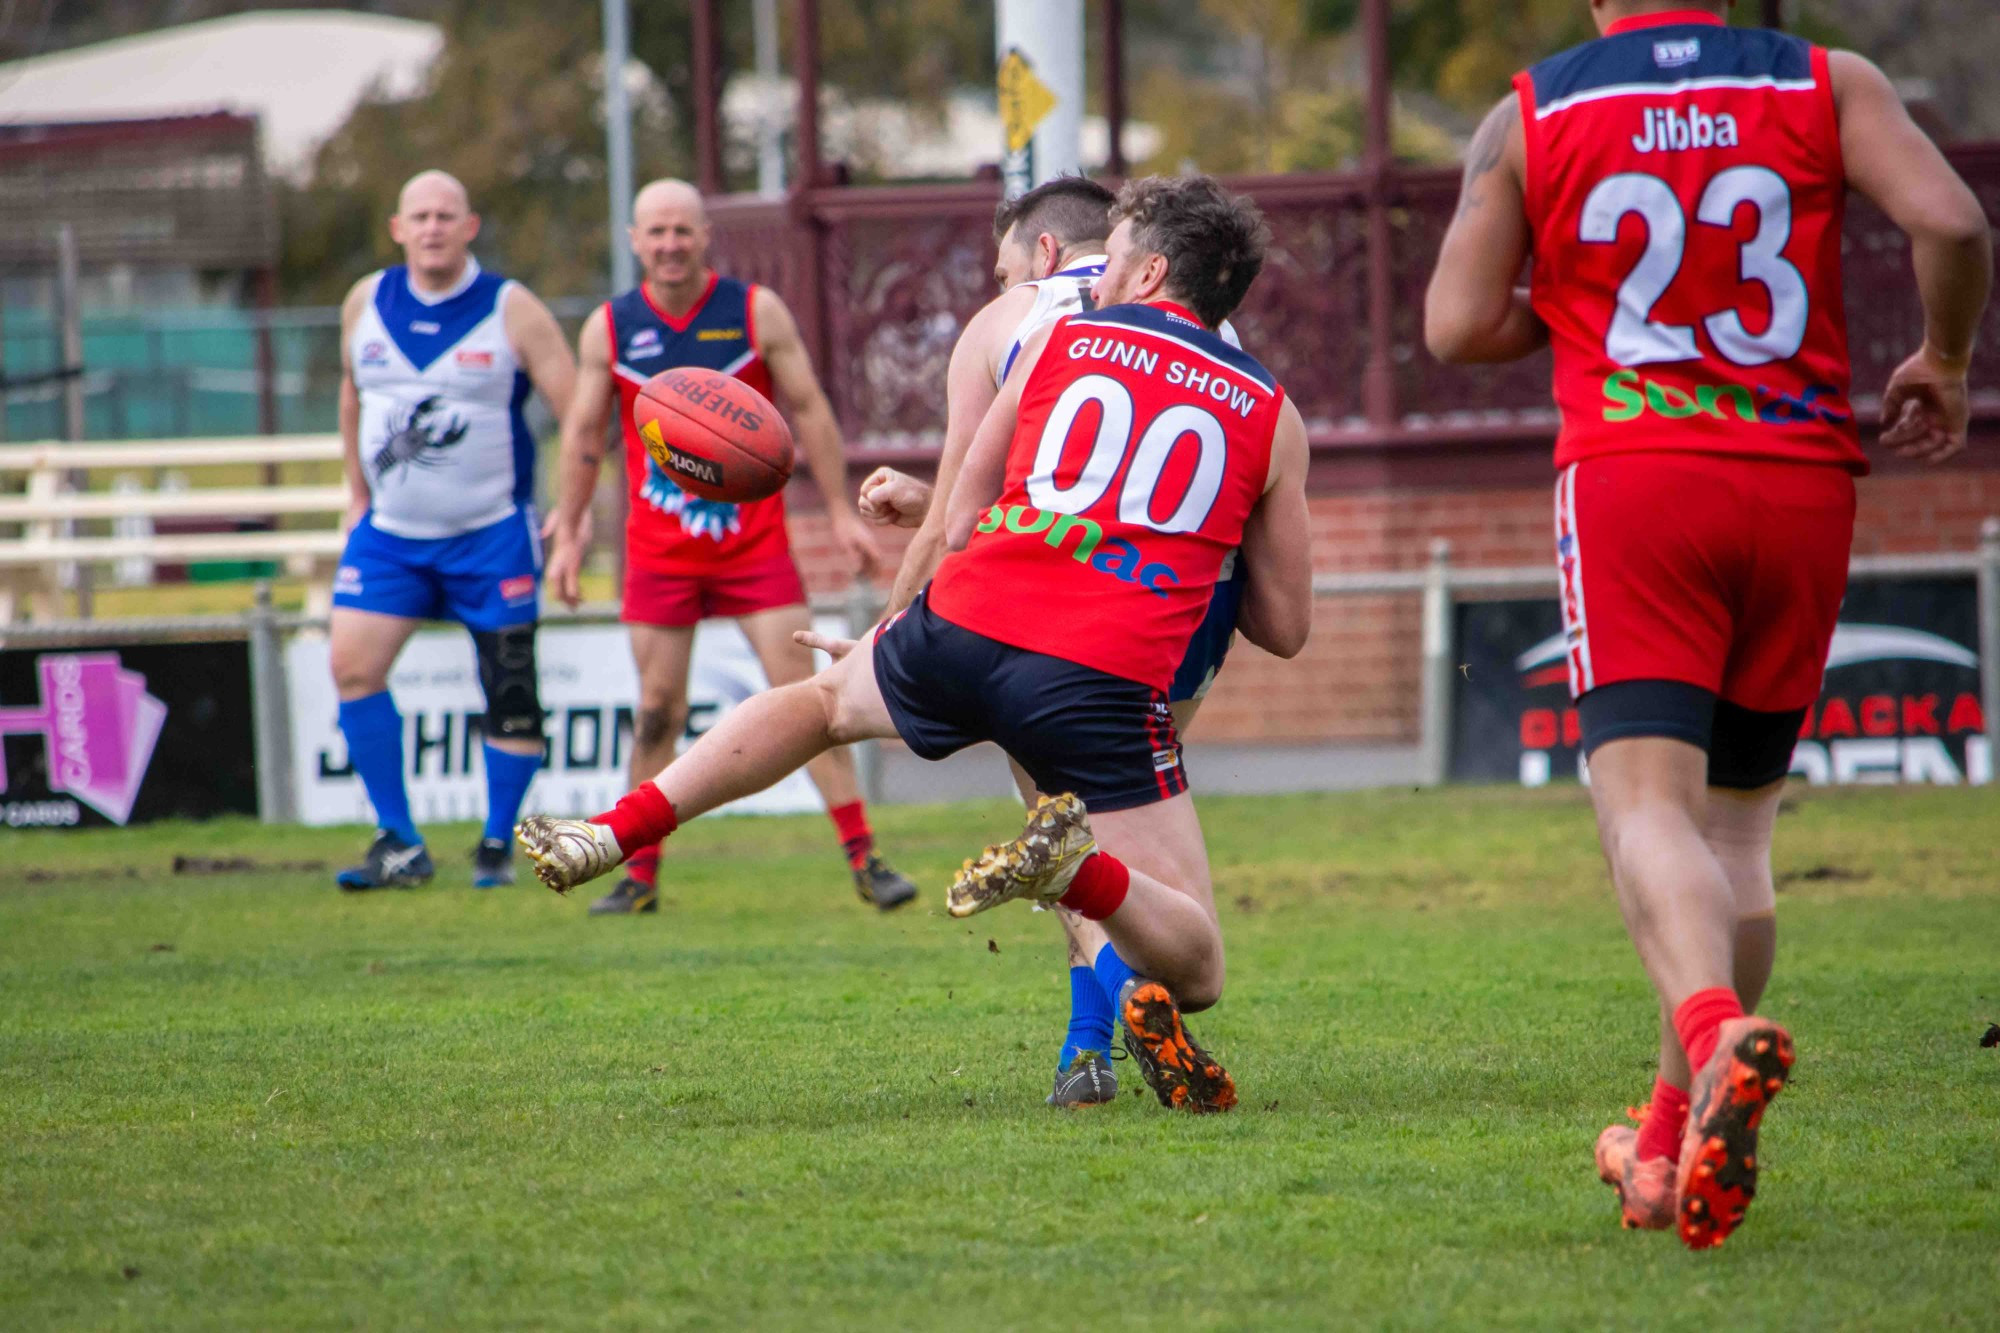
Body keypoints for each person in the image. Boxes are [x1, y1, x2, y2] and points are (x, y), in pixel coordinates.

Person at [518, 174, 1314, 1114]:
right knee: (1196, 961)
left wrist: (897, 630)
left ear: (1150, 269)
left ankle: (614, 828)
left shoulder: (1053, 336)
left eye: (1116, 258)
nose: (1095, 277)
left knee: (820, 703)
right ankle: (1076, 892)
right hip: (1106, 668)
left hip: (972, 617)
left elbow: (964, 514)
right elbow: (1285, 628)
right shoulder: (1273, 410)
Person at [1424, 0, 1989, 1248]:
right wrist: (1943, 359)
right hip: (1797, 483)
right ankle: (1671, 1137)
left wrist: (1577, 308)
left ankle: (1711, 1033)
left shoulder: (1533, 110)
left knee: (1643, 809)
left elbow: (1455, 325)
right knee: (1739, 830)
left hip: (1637, 474)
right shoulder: (1825, 81)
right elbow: (1949, 218)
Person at [857, 176, 1252, 1108]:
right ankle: (1093, 1039)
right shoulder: (1215, 323)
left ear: (1041, 256)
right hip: (1191, 601)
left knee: (1061, 836)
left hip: (1063, 613)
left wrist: (887, 630)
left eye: (1001, 269)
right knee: (1110, 842)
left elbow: (960, 519)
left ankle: (1109, 1024)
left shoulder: (1023, 319)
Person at [543, 179, 916, 916]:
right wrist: (573, 526)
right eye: (656, 232)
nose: (670, 244)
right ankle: (637, 873)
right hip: (657, 550)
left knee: (814, 698)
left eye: (683, 230)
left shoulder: (753, 312)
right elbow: (585, 434)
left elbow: (807, 406)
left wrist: (842, 509)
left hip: (755, 548)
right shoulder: (610, 329)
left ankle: (866, 857)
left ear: (705, 234)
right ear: (634, 240)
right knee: (656, 710)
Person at [330, 170, 577, 891]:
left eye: (447, 215)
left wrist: (574, 508)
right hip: (391, 534)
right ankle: (399, 842)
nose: (433, 227)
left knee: (509, 688)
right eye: (420, 216)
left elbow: (578, 411)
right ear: (397, 228)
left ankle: (497, 843)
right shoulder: (364, 302)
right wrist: (354, 489)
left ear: (470, 226)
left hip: (490, 531)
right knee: (350, 665)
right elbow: (352, 393)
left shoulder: (512, 308)